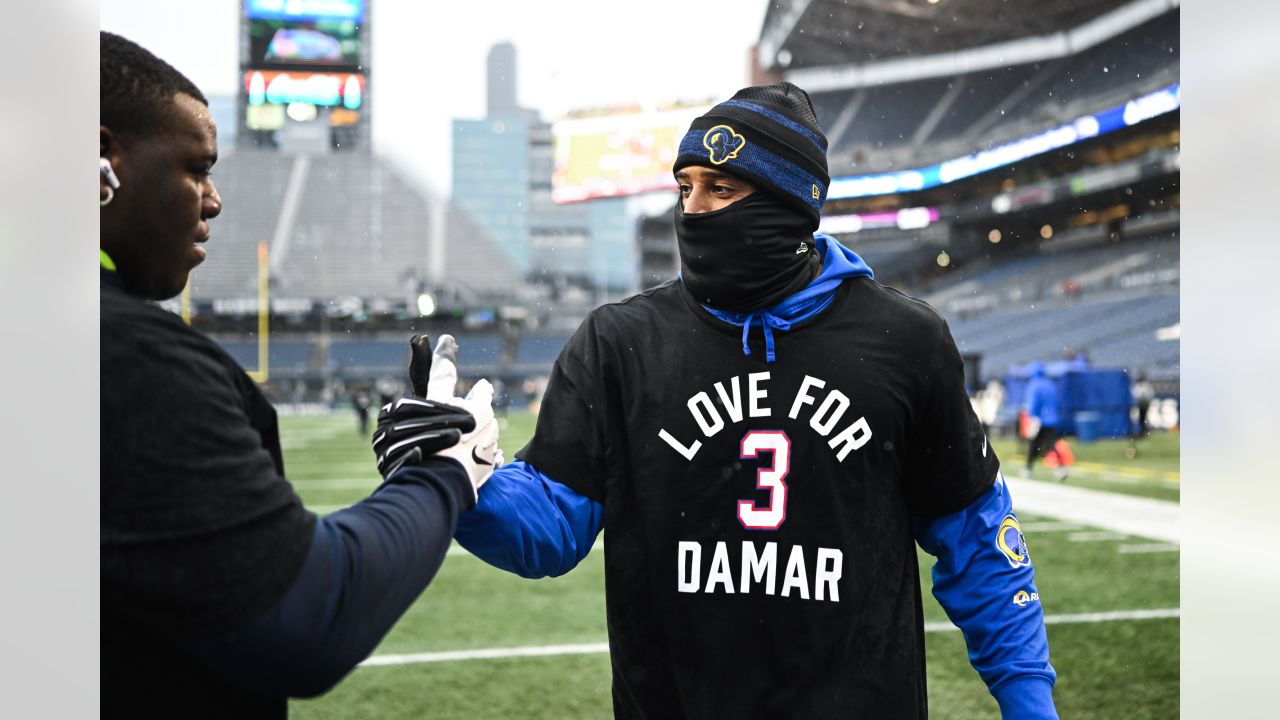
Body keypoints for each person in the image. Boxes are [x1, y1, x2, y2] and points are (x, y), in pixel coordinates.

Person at [455, 82, 1057, 718]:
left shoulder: (904, 342)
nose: (695, 210)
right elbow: (548, 526)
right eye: (685, 187)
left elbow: (979, 540)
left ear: (788, 203)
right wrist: (458, 481)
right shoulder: (622, 342)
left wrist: (1028, 701)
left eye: (721, 189)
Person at [99, 32, 501, 717]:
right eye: (196, 168)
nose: (214, 200)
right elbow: (309, 615)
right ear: (101, 163)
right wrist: (446, 470)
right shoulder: (120, 354)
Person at [1022, 361, 1067, 481]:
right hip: (1052, 419)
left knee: (1033, 445)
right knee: (1051, 445)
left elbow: (1033, 404)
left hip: (1038, 420)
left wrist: (1031, 417)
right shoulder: (1050, 384)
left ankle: (1028, 469)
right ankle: (1060, 468)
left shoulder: (1034, 384)